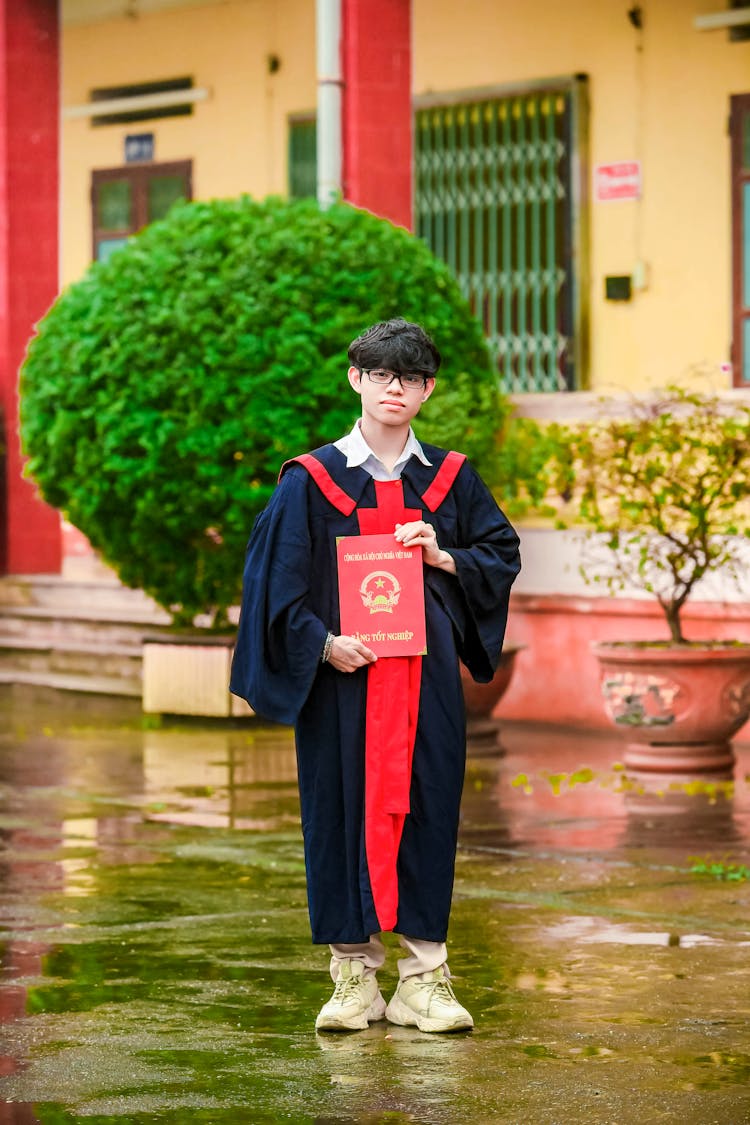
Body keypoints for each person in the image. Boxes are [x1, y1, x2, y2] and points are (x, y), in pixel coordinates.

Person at [230, 318, 521, 1033]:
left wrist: (444, 555)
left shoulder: (450, 479)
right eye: (383, 373)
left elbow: (500, 552)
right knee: (339, 812)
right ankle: (353, 975)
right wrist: (323, 643)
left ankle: (425, 976)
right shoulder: (311, 481)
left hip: (426, 685)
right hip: (342, 685)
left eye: (413, 377)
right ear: (356, 378)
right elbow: (275, 590)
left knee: (427, 809)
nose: (397, 387)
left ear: (427, 390)